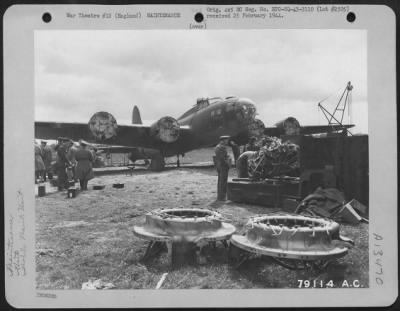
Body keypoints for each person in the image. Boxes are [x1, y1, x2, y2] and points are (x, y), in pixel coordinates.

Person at [214, 135, 231, 201]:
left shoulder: (217, 146)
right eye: (226, 140)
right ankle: (222, 197)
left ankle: (220, 196)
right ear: (223, 140)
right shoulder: (222, 147)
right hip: (223, 165)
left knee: (220, 180)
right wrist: (227, 163)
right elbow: (222, 158)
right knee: (223, 181)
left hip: (219, 165)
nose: (227, 141)